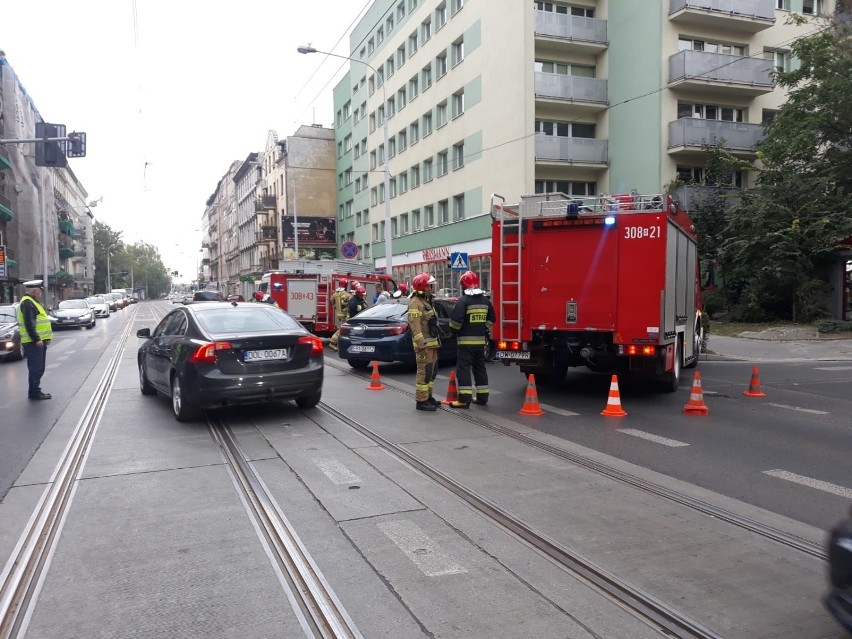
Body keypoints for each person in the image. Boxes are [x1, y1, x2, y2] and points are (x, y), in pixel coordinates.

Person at [447, 271, 495, 408]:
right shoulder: (486, 300)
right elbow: (492, 319)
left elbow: (454, 323)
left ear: (463, 285)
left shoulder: (463, 301)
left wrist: (456, 331)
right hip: (480, 342)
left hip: (465, 343)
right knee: (480, 368)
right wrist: (482, 328)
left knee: (463, 369)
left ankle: (464, 399)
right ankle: (482, 397)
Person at [408, 272, 441, 412]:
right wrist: (420, 343)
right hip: (424, 345)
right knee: (424, 372)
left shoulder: (427, 301)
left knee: (432, 372)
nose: (430, 288)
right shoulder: (415, 302)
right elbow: (414, 325)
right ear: (422, 286)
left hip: (432, 343)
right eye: (428, 286)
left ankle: (428, 397)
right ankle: (421, 401)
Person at [17, 279, 53, 400]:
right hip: (33, 342)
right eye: (40, 290)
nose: (41, 292)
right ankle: (34, 392)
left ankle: (34, 391)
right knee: (36, 368)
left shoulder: (32, 301)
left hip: (38, 341)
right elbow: (29, 323)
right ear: (35, 291)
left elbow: (38, 322)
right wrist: (37, 339)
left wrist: (45, 338)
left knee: (38, 368)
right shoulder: (28, 303)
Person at [328, 278, 351, 351]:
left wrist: (335, 306)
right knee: (341, 329)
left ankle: (340, 344)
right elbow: (349, 301)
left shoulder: (336, 293)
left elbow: (331, 300)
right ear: (345, 284)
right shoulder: (345, 293)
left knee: (343, 329)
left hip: (339, 314)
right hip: (344, 314)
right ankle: (332, 342)